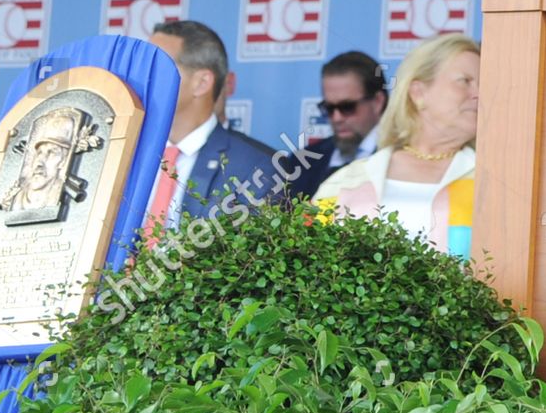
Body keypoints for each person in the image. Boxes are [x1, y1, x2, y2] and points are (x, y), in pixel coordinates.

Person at [316, 35, 478, 259]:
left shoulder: (496, 182)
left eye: (483, 84)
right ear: (418, 92)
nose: (479, 94)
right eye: (465, 81)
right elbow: (311, 264)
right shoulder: (347, 180)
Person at [146, 20, 280, 233]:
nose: (142, 77)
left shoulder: (255, 170)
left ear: (201, 83)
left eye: (156, 66)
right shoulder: (123, 152)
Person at [287, 50, 389, 199]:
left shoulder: (402, 161)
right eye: (328, 108)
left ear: (378, 102)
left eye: (347, 107)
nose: (337, 118)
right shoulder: (301, 162)